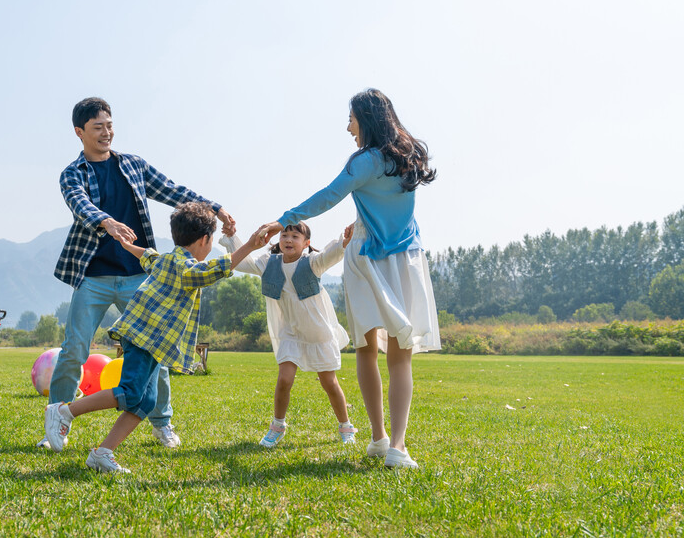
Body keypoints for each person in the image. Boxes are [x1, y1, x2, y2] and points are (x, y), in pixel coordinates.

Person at [42, 97, 235, 451]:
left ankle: (162, 423)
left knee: (156, 354)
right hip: (94, 276)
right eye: (98, 127)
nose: (106, 133)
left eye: (110, 125)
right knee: (74, 351)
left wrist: (215, 206)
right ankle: (55, 423)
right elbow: (79, 204)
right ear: (79, 132)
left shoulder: (133, 165)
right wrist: (106, 221)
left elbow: (172, 190)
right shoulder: (73, 173)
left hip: (140, 277)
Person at [261, 88, 439, 469]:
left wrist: (284, 218)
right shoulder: (410, 156)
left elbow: (329, 195)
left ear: (366, 119)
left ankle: (379, 438)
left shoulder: (365, 160)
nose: (348, 127)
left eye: (351, 119)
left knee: (367, 348)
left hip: (367, 257)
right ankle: (397, 446)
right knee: (400, 353)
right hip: (405, 257)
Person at [45, 202, 267, 473]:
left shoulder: (164, 259)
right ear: (205, 240)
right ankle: (64, 412)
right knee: (129, 392)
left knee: (146, 401)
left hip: (148, 341)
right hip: (144, 339)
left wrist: (127, 246)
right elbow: (219, 268)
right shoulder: (187, 270)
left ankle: (103, 453)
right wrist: (251, 246)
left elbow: (145, 255)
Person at [220, 221, 356, 448]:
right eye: (284, 235)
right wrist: (234, 237)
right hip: (289, 333)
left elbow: (331, 255)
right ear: (278, 240)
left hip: (317, 334)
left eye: (295, 236)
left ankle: (346, 426)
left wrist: (344, 240)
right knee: (284, 380)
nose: (289, 240)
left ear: (306, 243)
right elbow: (244, 262)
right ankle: (277, 426)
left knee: (329, 383)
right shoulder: (268, 263)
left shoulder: (313, 262)